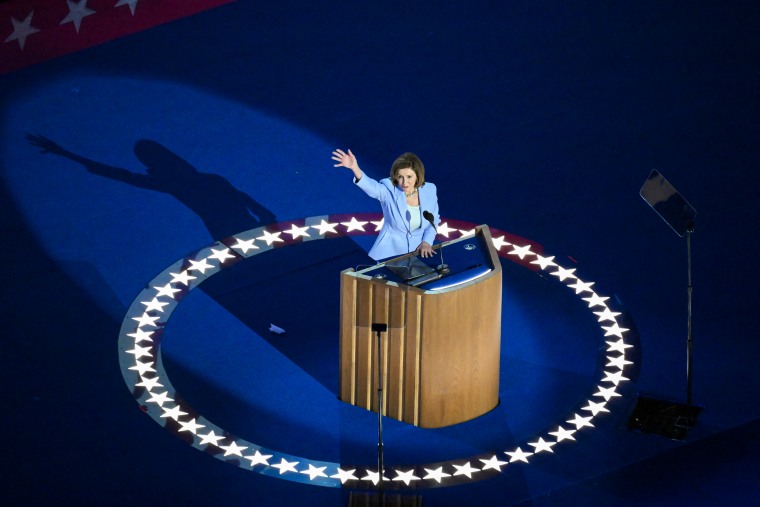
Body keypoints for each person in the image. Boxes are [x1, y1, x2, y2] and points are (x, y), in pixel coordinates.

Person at [332, 148, 440, 261]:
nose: (404, 182)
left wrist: (427, 241)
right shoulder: (389, 189)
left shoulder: (429, 189)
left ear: (418, 175)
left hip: (417, 253)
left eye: (409, 177)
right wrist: (355, 168)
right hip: (388, 254)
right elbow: (372, 188)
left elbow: (434, 220)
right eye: (400, 177)